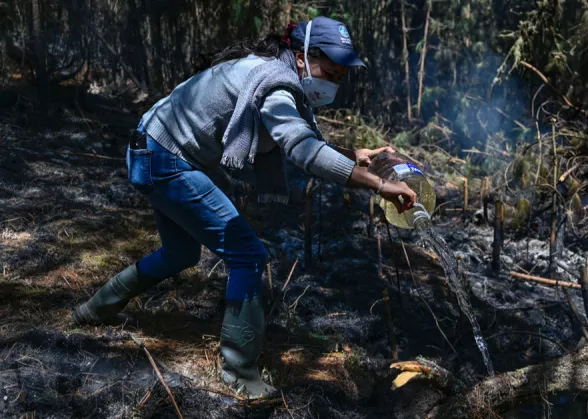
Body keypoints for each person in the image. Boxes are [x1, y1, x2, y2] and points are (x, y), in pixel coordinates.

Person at [72, 16, 417, 398]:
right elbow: (302, 149)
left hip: (152, 147)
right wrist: (380, 185)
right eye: (330, 73)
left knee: (181, 253)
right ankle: (239, 373)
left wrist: (352, 155)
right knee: (249, 256)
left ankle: (94, 310)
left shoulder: (272, 72)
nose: (333, 84)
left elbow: (298, 136)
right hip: (163, 159)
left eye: (340, 77)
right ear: (302, 57)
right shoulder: (276, 86)